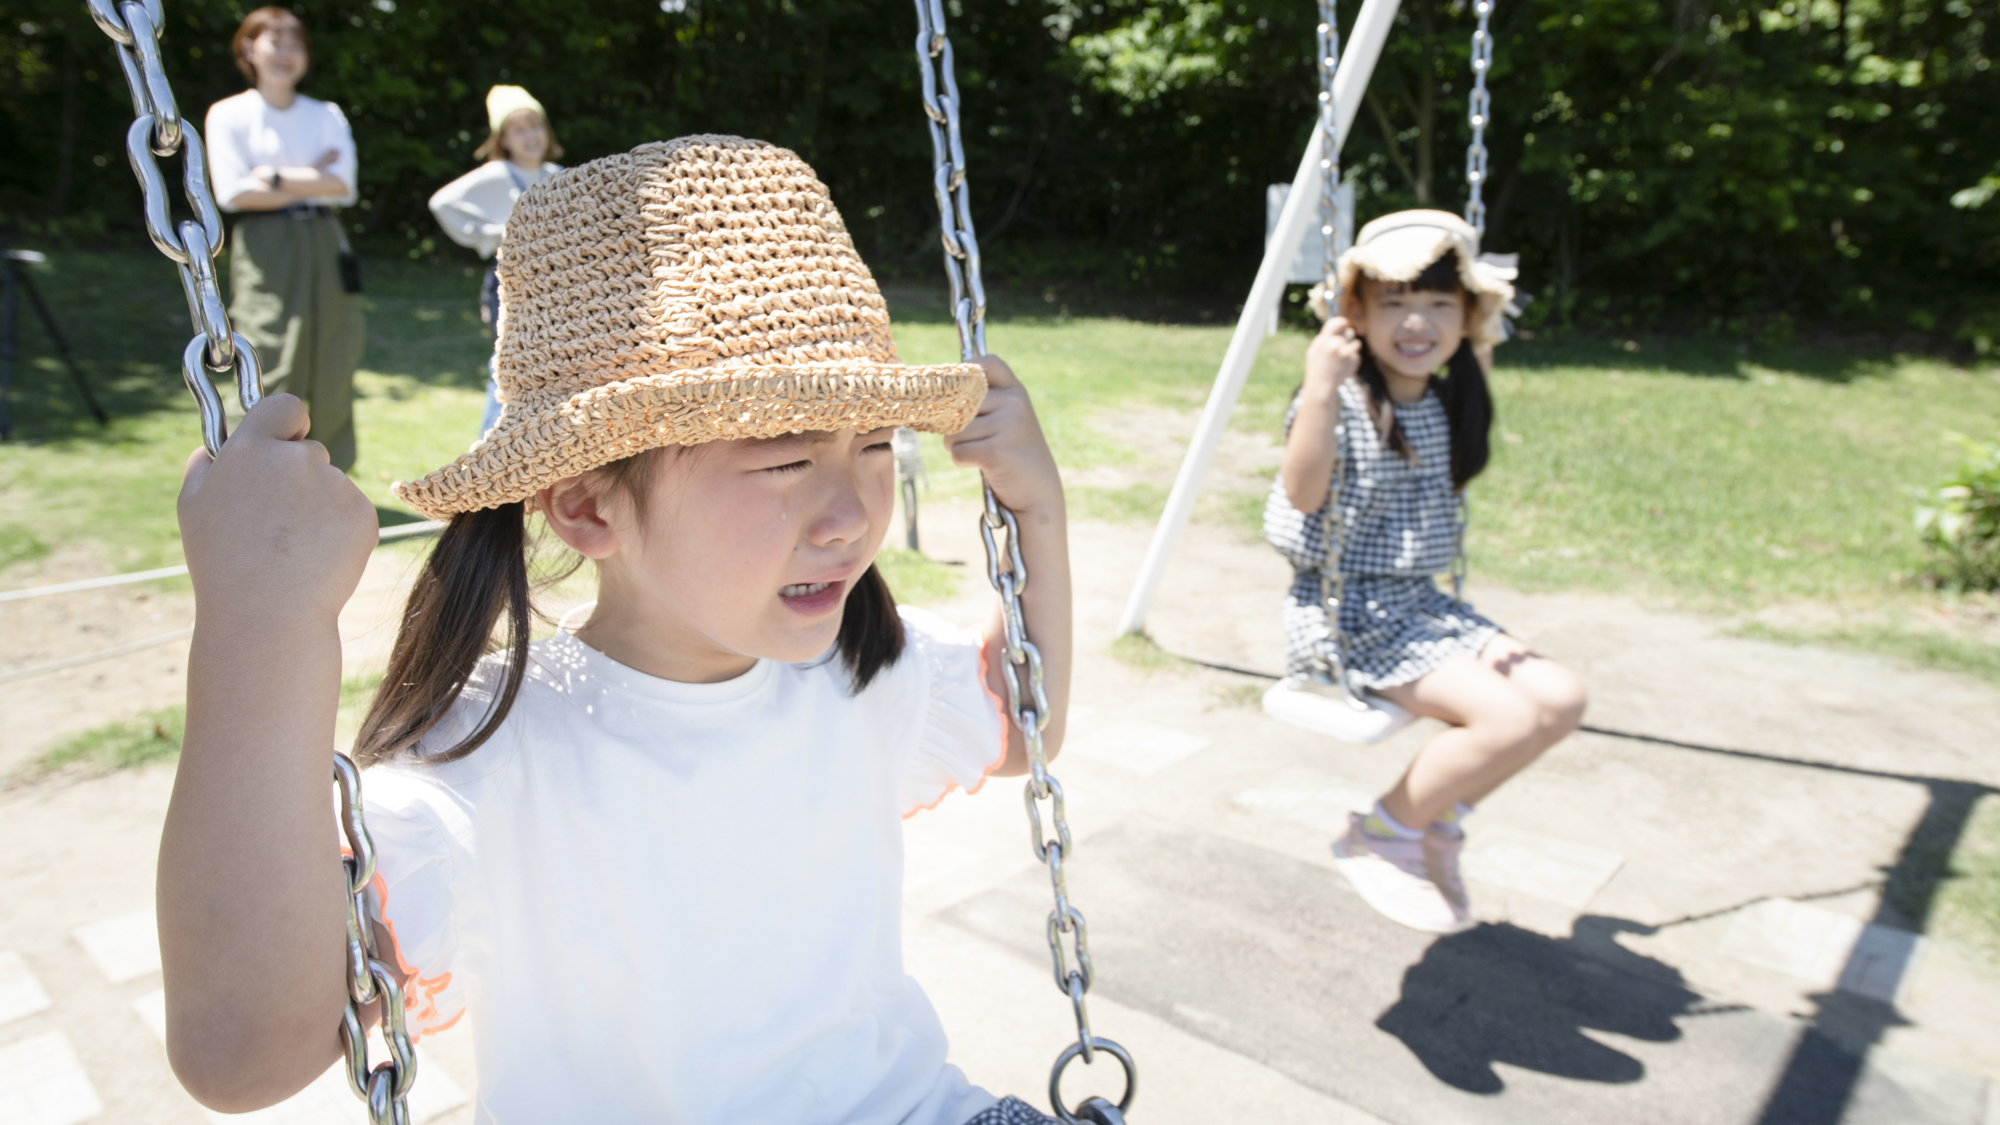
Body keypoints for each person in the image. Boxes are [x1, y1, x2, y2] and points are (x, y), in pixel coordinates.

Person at [159, 137, 1076, 1125]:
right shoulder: (495, 755)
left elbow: (1026, 721)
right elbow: (237, 1052)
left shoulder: (859, 675)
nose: (850, 516)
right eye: (782, 462)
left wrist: (1036, 510)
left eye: (873, 448)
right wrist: (261, 625)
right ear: (589, 509)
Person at [1266, 210, 1587, 935]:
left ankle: (1438, 820)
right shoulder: (1338, 405)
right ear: (1357, 314)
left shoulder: (1447, 400)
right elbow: (1303, 498)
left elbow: (1478, 346)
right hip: (1350, 620)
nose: (1418, 322)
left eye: (1440, 303)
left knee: (1561, 697)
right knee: (1508, 718)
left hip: (1425, 608)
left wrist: (1483, 319)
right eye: (1396, 303)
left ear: (1467, 317)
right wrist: (1318, 387)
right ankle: (1381, 831)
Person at [204, 7, 363, 472]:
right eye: (275, 41)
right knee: (269, 353)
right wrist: (315, 174)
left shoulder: (325, 114)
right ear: (249, 48)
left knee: (334, 355)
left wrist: (271, 175)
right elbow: (234, 192)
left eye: (296, 44)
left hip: (326, 238)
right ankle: (248, 472)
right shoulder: (230, 114)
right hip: (268, 243)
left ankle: (329, 475)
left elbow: (345, 185)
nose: (286, 53)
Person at [427, 86, 565, 435]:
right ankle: (491, 446)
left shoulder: (557, 174)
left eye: (535, 126)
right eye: (518, 130)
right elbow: (443, 203)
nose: (530, 136)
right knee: (508, 366)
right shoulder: (495, 176)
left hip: (555, 287)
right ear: (503, 138)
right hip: (513, 285)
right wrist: (490, 235)